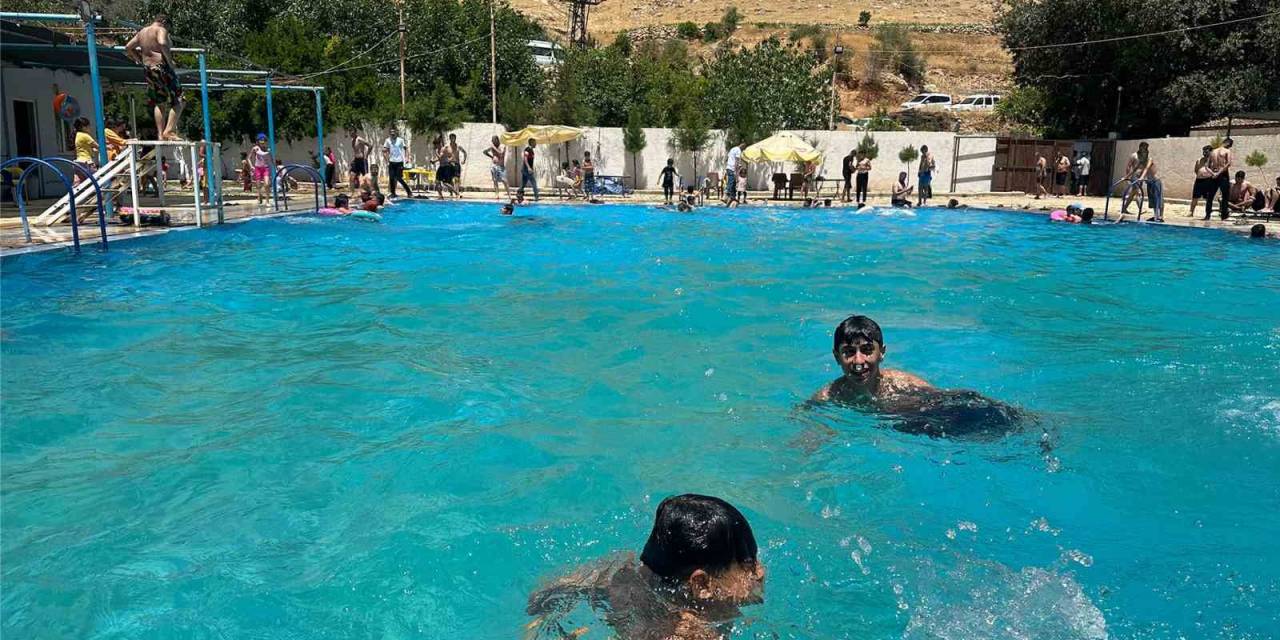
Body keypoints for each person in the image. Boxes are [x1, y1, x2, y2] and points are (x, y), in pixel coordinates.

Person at [526, 494, 764, 640]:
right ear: (701, 584)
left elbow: (547, 593)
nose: (759, 572)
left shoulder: (622, 569)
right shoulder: (695, 633)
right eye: (748, 565)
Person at [809, 315, 1031, 438]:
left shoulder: (903, 384)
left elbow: (949, 402)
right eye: (849, 353)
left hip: (922, 419)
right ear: (837, 357)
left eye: (867, 350)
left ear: (882, 353)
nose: (859, 361)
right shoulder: (829, 396)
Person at [124, 15, 184, 141]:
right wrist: (170, 61)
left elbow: (128, 47)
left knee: (160, 101)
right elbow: (162, 43)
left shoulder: (142, 32)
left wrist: (138, 59)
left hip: (149, 69)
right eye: (168, 27)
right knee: (179, 99)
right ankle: (169, 130)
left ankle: (160, 134)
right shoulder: (160, 29)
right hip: (162, 68)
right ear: (163, 22)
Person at [1206, 138, 1234, 220]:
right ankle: (1224, 216)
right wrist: (1218, 173)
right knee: (1225, 196)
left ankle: (1207, 215)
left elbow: (1207, 166)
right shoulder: (1227, 151)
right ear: (1228, 144)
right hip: (1223, 175)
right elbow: (1228, 163)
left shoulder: (1212, 152)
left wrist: (1213, 173)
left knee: (1210, 196)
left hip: (1213, 174)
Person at [1136, 144, 1163, 222]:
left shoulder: (1150, 160)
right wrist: (1126, 176)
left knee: (1159, 199)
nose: (1140, 157)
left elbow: (1147, 169)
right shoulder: (1141, 162)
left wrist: (1141, 178)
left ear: (1146, 153)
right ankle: (1155, 216)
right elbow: (1135, 169)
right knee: (1152, 200)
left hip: (1156, 181)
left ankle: (1160, 216)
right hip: (1149, 182)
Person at [383, 128, 411, 198]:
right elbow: (384, 150)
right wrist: (387, 160)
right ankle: (393, 193)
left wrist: (407, 157)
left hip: (399, 162)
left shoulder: (400, 140)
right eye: (391, 132)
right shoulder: (387, 140)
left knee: (399, 178)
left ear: (396, 132)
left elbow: (406, 148)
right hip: (391, 162)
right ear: (390, 133)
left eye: (394, 132)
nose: (392, 134)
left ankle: (409, 192)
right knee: (391, 178)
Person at [1189, 145, 1215, 217]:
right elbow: (1196, 170)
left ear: (1210, 152)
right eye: (1204, 152)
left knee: (1207, 198)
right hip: (1199, 180)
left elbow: (1214, 170)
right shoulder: (1199, 160)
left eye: (1206, 152)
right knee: (1195, 197)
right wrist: (1201, 175)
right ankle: (1191, 212)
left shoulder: (1213, 161)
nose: (1204, 153)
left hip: (1208, 180)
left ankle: (1207, 213)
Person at [72, 117, 98, 185]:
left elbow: (82, 148)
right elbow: (98, 146)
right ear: (83, 127)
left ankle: (74, 195)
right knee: (95, 181)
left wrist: (93, 150)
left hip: (78, 162)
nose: (90, 127)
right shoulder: (85, 136)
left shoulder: (77, 135)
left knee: (79, 184)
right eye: (88, 126)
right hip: (87, 162)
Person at [483, 135, 509, 199]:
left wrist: (493, 147)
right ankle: (497, 194)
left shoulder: (502, 146)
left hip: (501, 166)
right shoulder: (492, 147)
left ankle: (509, 195)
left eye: (494, 141)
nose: (493, 142)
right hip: (494, 166)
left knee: (504, 180)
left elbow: (501, 153)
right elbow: (484, 152)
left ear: (497, 140)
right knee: (495, 180)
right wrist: (491, 157)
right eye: (492, 141)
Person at [250, 134, 272, 204]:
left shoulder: (267, 149)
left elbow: (271, 158)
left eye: (264, 141)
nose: (262, 142)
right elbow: (248, 158)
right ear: (258, 141)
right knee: (258, 186)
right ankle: (259, 196)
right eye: (261, 140)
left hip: (265, 168)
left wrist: (274, 166)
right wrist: (251, 166)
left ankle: (267, 201)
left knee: (267, 184)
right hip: (258, 168)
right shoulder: (255, 148)